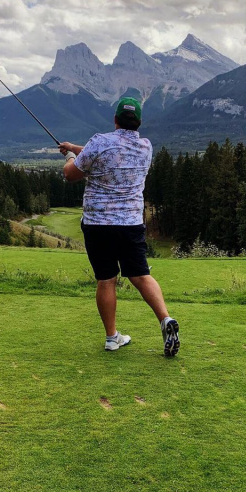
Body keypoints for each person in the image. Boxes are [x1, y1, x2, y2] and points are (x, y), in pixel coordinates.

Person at [58, 97, 180, 356]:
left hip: (98, 225)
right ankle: (165, 319)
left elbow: (70, 174)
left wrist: (70, 155)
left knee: (106, 280)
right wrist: (75, 147)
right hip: (130, 224)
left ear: (115, 119)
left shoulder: (99, 142)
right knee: (141, 275)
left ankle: (112, 337)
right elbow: (112, 151)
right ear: (139, 123)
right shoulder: (146, 147)